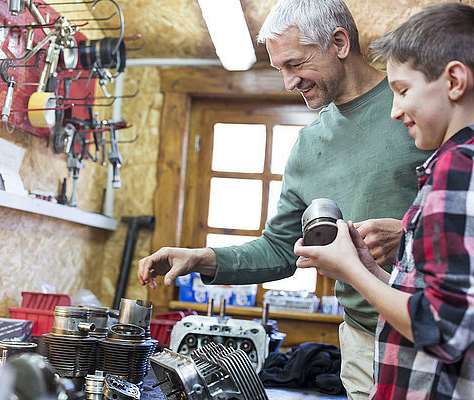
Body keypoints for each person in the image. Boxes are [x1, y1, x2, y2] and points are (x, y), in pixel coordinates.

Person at [138, 0, 431, 397]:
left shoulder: (415, 106)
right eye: (280, 69)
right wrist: (201, 259)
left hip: (432, 331)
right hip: (361, 340)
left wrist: (410, 235)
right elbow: (280, 249)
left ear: (340, 42)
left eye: (295, 64)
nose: (288, 82)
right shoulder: (308, 146)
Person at [294, 3, 474, 398]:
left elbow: (443, 329)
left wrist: (353, 273)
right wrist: (364, 268)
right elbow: (432, 297)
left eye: (402, 91)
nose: (394, 111)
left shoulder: (458, 166)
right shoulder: (444, 164)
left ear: (455, 81)